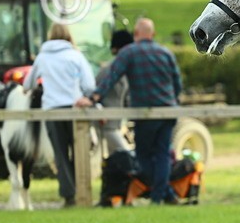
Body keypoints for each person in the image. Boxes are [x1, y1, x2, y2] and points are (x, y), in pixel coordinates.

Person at [77, 18, 183, 204]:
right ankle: (163, 195)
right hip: (168, 111)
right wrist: (173, 101)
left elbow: (111, 78)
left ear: (135, 34)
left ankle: (161, 194)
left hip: (145, 113)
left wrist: (93, 98)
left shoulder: (129, 53)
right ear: (153, 34)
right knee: (163, 154)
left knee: (142, 156)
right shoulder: (166, 53)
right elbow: (177, 84)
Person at [24, 22, 96, 208]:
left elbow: (28, 84)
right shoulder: (75, 55)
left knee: (61, 154)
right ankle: (83, 191)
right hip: (75, 109)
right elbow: (89, 85)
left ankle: (68, 195)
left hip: (52, 110)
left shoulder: (43, 57)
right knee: (79, 152)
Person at [95, 29, 134, 156]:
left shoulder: (128, 69)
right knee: (128, 157)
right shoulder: (107, 70)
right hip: (107, 126)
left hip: (118, 125)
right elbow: (94, 95)